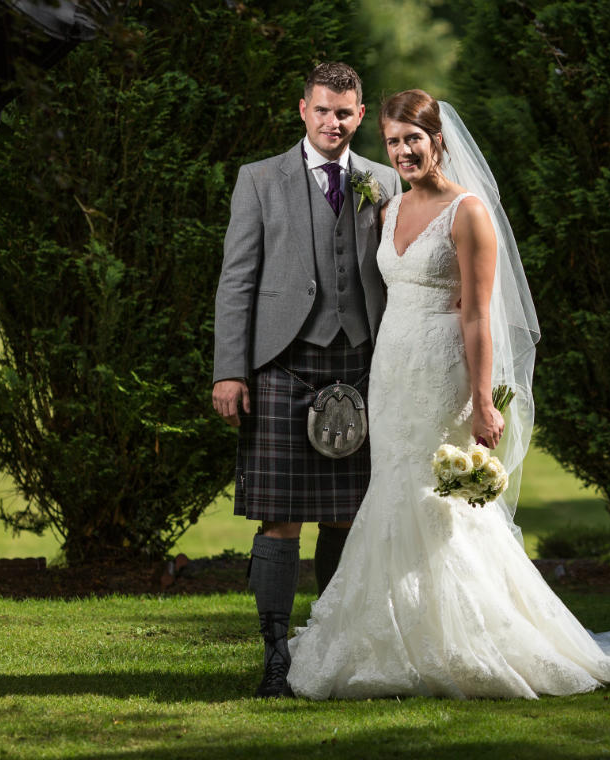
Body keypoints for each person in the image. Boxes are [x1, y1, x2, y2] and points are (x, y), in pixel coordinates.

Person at [286, 89, 610, 699]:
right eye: (392, 142)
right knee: (391, 490)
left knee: (439, 502)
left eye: (412, 139)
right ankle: (388, 638)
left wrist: (483, 400)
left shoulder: (468, 212)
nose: (402, 152)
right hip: (393, 371)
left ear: (437, 139)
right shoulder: (390, 208)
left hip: (443, 372)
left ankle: (469, 639)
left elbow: (476, 314)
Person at [211, 62, 401, 698]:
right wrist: (230, 371)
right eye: (322, 110)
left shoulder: (383, 180)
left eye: (345, 113)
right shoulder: (260, 179)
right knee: (279, 518)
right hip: (283, 367)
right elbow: (237, 280)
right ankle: (274, 654)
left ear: (359, 113)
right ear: (302, 110)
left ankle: (329, 646)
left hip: (362, 365)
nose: (333, 122)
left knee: (349, 517)